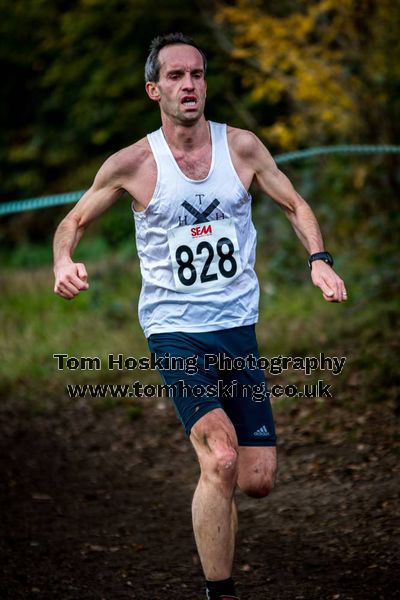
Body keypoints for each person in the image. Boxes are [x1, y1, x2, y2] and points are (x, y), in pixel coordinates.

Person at [53, 32, 347, 600]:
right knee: (221, 458)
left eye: (197, 74)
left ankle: (220, 522)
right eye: (176, 76)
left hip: (237, 326)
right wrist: (64, 259)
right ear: (153, 88)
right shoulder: (133, 163)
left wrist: (319, 259)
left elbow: (294, 203)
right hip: (175, 331)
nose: (189, 85)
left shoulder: (242, 148)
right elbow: (73, 222)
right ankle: (221, 591)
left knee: (255, 480)